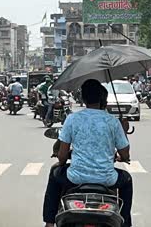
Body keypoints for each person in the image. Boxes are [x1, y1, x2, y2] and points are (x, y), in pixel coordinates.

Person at [43, 79, 133, 227]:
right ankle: (125, 223)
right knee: (127, 179)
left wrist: (61, 161)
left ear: (83, 98)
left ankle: (49, 222)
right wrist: (123, 130)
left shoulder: (72, 119)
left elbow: (62, 156)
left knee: (54, 172)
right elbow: (125, 155)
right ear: (103, 98)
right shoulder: (112, 121)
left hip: (75, 178)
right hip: (107, 179)